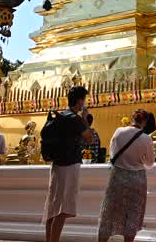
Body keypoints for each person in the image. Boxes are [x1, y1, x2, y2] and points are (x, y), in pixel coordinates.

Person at [44, 86, 97, 242]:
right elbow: (90, 138)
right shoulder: (75, 119)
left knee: (53, 207)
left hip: (57, 165)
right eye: (83, 100)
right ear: (80, 101)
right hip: (69, 166)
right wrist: (86, 119)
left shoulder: (61, 116)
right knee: (63, 208)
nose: (84, 103)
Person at [96, 109, 156, 242]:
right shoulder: (146, 138)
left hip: (117, 177)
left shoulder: (118, 132)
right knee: (132, 216)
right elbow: (150, 163)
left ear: (132, 119)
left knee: (109, 213)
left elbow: (112, 154)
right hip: (137, 180)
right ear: (144, 122)